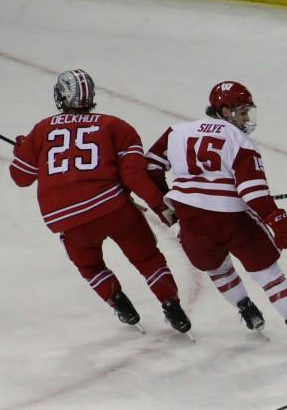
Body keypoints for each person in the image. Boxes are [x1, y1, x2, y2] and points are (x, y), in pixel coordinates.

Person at [10, 69, 190, 335]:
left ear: (61, 97)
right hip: (114, 209)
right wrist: (161, 206)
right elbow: (133, 175)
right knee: (148, 258)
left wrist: (23, 148)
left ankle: (119, 302)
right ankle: (171, 304)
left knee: (90, 266)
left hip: (69, 220)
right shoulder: (116, 126)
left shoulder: (42, 129)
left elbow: (21, 177)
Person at [146, 81, 287, 349]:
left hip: (192, 220)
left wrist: (165, 203)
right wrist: (276, 219)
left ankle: (246, 309)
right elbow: (253, 192)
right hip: (233, 219)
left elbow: (150, 166)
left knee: (217, 267)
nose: (246, 118)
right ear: (224, 111)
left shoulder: (176, 132)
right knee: (267, 272)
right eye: (241, 112)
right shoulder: (239, 140)